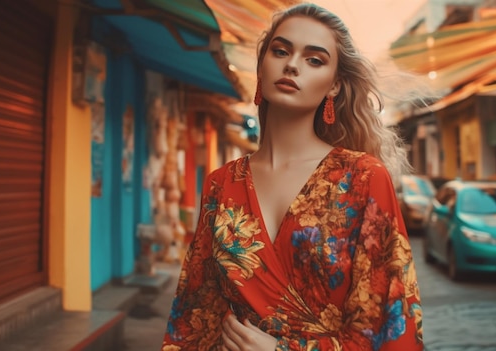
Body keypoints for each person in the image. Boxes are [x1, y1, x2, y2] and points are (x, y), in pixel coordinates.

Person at [162, 3, 424, 350]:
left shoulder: (362, 178)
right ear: (262, 67)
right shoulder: (220, 184)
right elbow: (193, 316)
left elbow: (387, 327)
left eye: (314, 59)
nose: (291, 64)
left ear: (334, 86)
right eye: (281, 51)